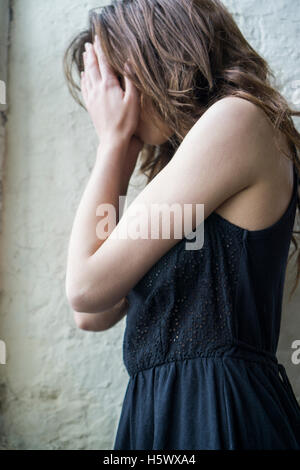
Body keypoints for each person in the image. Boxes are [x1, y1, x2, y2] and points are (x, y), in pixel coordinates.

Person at [63, 0, 300, 450]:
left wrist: (112, 143)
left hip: (219, 411)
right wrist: (122, 148)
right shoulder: (188, 167)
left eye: (114, 80)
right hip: (162, 410)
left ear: (154, 56)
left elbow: (85, 286)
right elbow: (90, 313)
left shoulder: (237, 119)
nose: (110, 102)